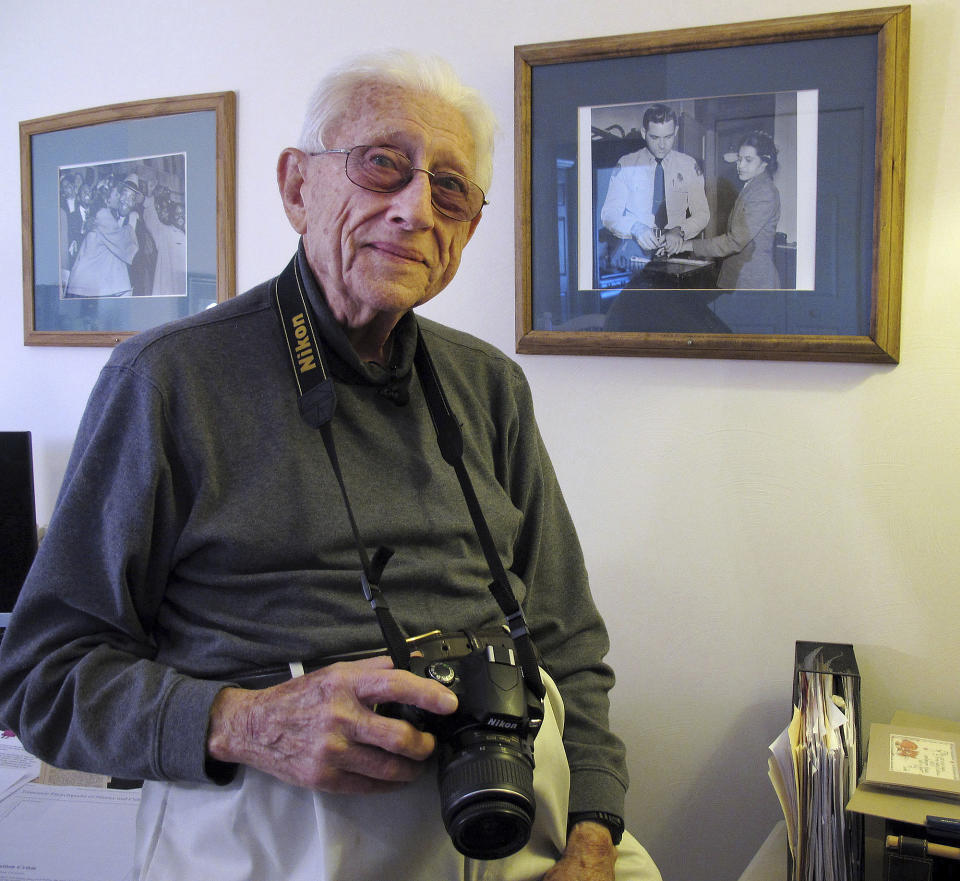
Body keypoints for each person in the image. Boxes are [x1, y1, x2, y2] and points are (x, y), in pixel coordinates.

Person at [0, 51, 661, 881]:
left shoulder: (490, 384)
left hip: (519, 806)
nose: (416, 208)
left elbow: (566, 640)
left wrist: (595, 830)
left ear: (467, 229)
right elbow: (39, 678)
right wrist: (245, 721)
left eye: (450, 188)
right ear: (296, 186)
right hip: (283, 828)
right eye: (383, 164)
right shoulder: (166, 380)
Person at [599, 103, 709, 261]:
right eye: (655, 137)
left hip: (676, 253)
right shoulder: (626, 164)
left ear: (676, 132)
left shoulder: (689, 166)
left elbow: (702, 213)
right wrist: (634, 227)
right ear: (644, 133)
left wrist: (680, 230)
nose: (662, 145)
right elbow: (608, 214)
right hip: (636, 255)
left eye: (668, 137)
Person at [676, 130, 782, 290]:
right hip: (740, 277)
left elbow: (735, 241)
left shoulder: (764, 192)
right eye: (739, 159)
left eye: (748, 160)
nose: (740, 165)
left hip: (752, 282)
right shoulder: (752, 186)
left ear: (764, 163)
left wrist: (688, 245)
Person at [64, 177, 139, 297]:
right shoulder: (103, 215)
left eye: (130, 197)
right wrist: (131, 224)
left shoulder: (108, 216)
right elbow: (124, 244)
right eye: (118, 194)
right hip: (85, 288)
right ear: (107, 198)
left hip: (97, 287)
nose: (121, 198)